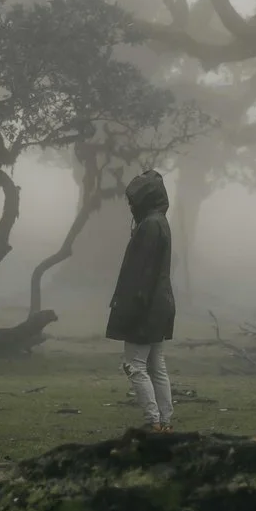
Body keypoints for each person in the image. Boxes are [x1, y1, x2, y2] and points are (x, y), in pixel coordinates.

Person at [106, 167, 175, 432]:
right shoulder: (160, 222)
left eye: (134, 199)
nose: (130, 204)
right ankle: (164, 421)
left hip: (144, 305)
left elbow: (140, 274)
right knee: (156, 366)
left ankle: (154, 420)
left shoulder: (149, 226)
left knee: (134, 365)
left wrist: (130, 309)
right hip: (159, 305)